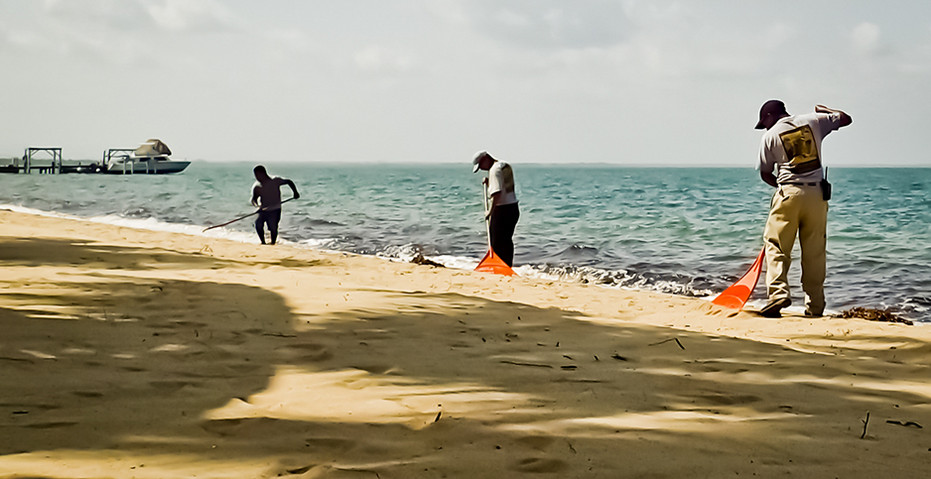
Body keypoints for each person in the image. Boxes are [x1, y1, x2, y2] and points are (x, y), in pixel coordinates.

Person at [755, 100, 852, 317]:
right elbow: (846, 118)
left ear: (770, 115)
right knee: (815, 252)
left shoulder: (770, 137)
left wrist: (784, 186)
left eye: (765, 122)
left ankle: (778, 293)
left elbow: (765, 173)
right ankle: (815, 307)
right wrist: (825, 111)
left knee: (777, 245)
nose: (765, 127)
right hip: (817, 196)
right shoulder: (813, 120)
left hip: (789, 193)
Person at [472, 151, 520, 267]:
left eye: (481, 166)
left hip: (502, 211)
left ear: (485, 159)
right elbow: (504, 188)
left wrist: (490, 212)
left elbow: (497, 194)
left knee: (497, 242)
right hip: (513, 208)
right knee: (506, 241)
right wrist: (489, 184)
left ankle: (499, 266)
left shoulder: (494, 170)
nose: (482, 169)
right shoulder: (503, 165)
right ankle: (507, 265)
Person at [250, 165, 300, 245]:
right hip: (263, 210)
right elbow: (254, 199)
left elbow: (289, 182)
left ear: (263, 173)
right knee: (258, 224)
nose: (257, 177)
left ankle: (273, 243)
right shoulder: (257, 186)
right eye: (255, 175)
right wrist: (258, 206)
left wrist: (295, 192)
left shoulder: (275, 180)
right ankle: (263, 242)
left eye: (257, 175)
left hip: (275, 209)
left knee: (273, 227)